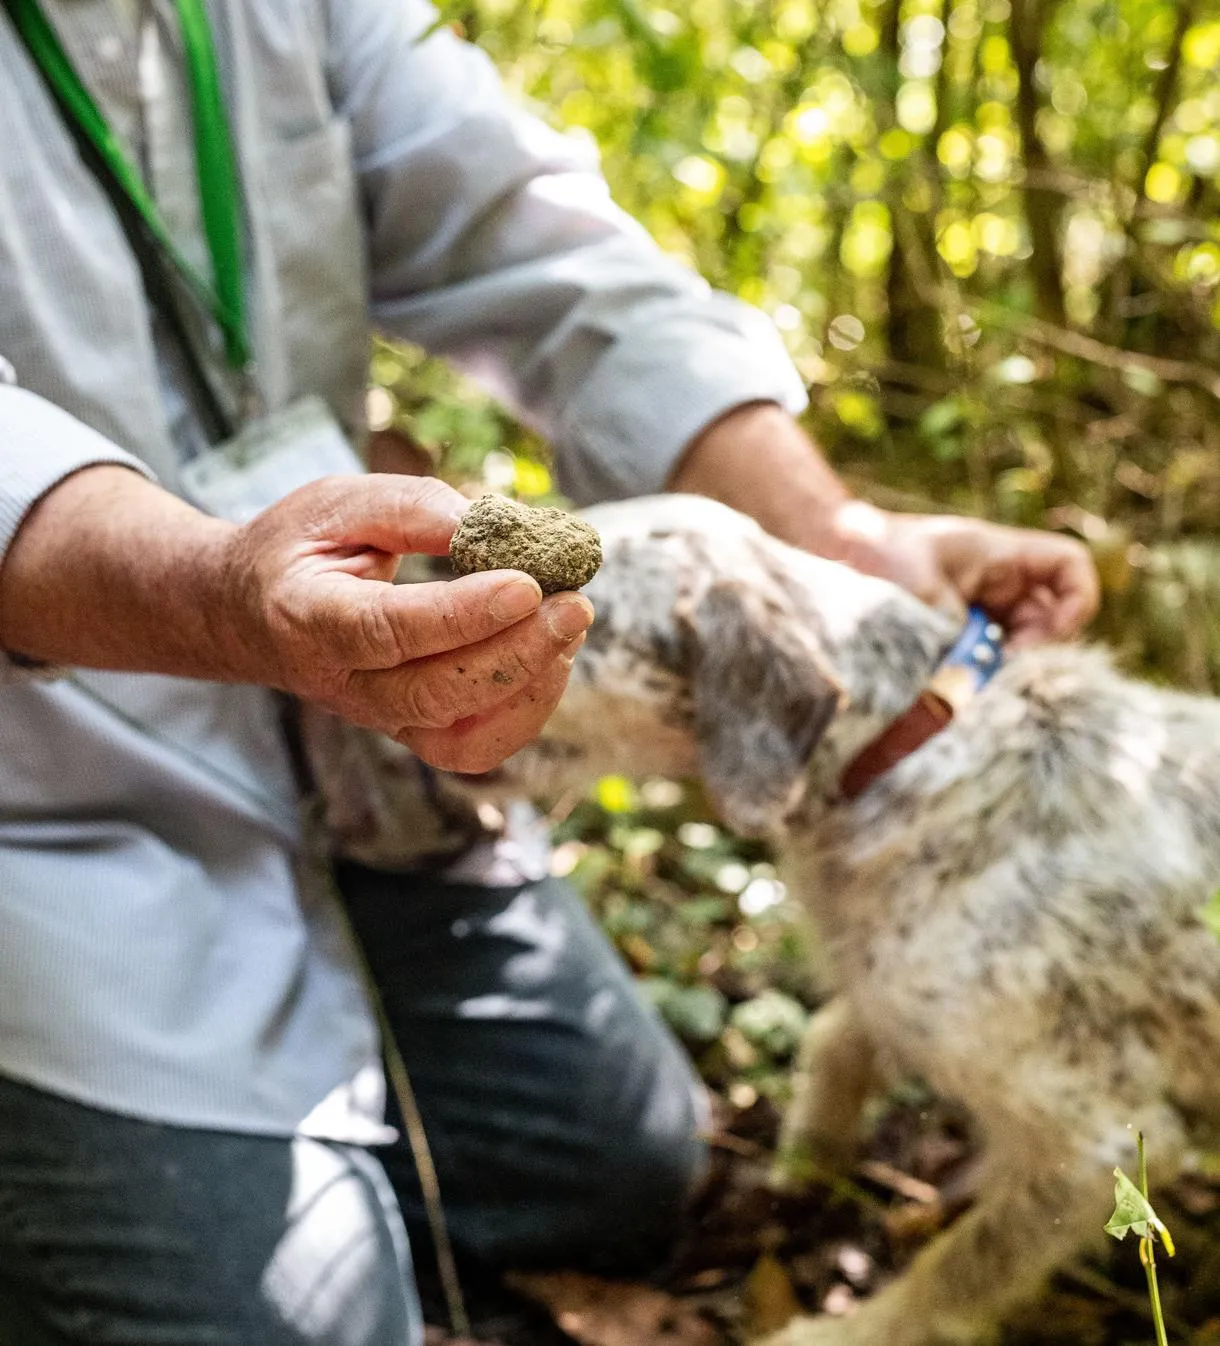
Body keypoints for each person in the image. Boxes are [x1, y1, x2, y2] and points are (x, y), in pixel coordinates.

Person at [0, 2, 1099, 1343]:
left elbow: (550, 255)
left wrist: (845, 541)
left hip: (367, 765)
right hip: (55, 802)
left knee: (619, 1167)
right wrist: (216, 600)